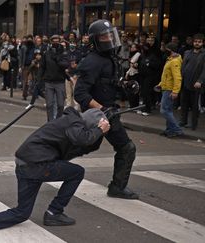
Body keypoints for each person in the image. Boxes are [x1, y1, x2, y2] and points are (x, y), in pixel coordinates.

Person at [0, 108, 111, 239]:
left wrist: (99, 133)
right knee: (77, 172)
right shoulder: (75, 124)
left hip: (26, 163)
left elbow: (85, 146)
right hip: (38, 165)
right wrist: (98, 130)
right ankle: (54, 212)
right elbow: (83, 139)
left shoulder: (70, 122)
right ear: (88, 125)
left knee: (22, 212)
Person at [74, 19, 139, 199]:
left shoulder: (110, 59)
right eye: (104, 36)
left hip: (109, 113)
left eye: (111, 35)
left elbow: (110, 84)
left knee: (126, 148)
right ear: (95, 40)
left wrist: (126, 86)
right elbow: (80, 94)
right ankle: (45, 165)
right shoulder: (92, 61)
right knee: (78, 147)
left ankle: (117, 187)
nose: (109, 39)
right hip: (97, 115)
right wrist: (102, 109)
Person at [155, 42, 183, 137]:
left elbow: (177, 77)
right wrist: (160, 84)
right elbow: (167, 76)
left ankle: (176, 129)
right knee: (168, 110)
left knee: (164, 110)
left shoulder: (174, 62)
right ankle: (170, 130)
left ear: (170, 50)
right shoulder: (171, 59)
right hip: (166, 88)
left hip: (169, 89)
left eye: (166, 49)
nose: (164, 50)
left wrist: (175, 91)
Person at [38, 35, 69, 121]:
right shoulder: (46, 53)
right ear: (51, 42)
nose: (55, 43)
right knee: (49, 105)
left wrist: (58, 59)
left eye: (57, 41)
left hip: (60, 81)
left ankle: (58, 121)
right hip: (49, 82)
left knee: (60, 105)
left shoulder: (63, 52)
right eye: (53, 41)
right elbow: (42, 67)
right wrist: (39, 79)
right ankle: (50, 123)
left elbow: (66, 64)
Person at [179, 34, 205, 130]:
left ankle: (194, 124)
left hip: (196, 84)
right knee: (184, 102)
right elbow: (183, 66)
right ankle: (183, 121)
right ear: (193, 42)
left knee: (195, 106)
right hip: (185, 82)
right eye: (195, 41)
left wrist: (200, 81)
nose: (197, 43)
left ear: (202, 43)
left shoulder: (204, 54)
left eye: (199, 42)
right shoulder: (187, 52)